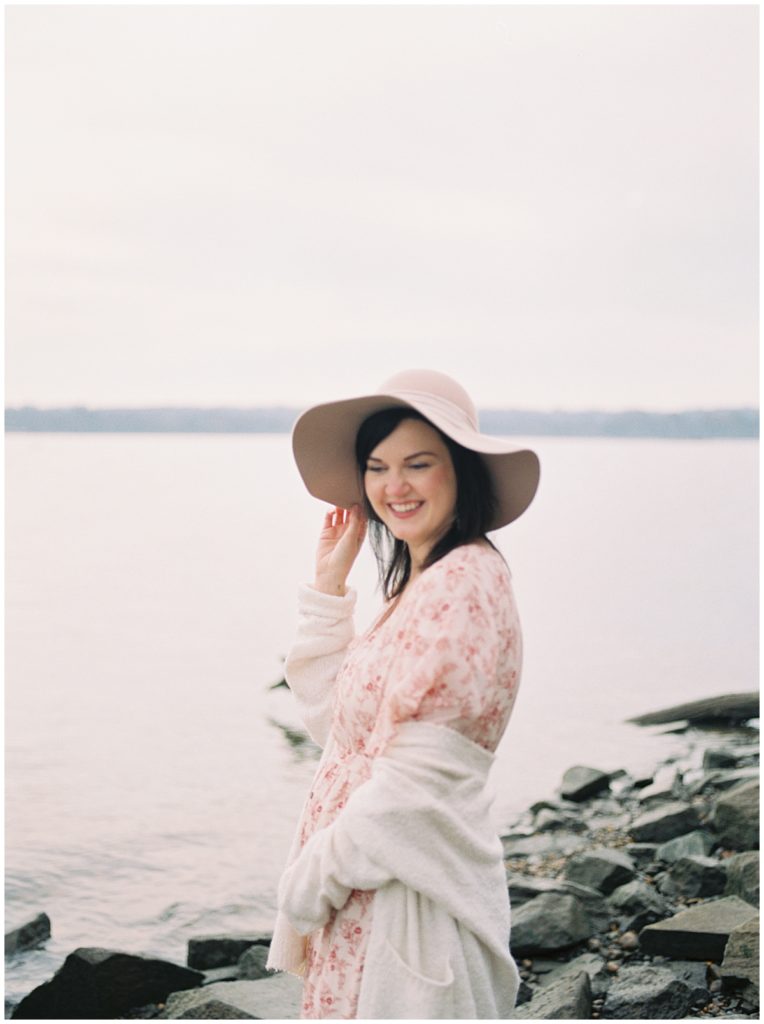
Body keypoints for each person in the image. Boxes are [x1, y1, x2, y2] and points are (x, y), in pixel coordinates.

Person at [266, 369, 540, 1019]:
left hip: (408, 907)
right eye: (378, 466)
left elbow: (414, 788)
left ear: (463, 469)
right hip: (373, 890)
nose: (395, 486)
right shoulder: (427, 582)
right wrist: (329, 590)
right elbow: (346, 732)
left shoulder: (464, 582)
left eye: (418, 463)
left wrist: (306, 883)